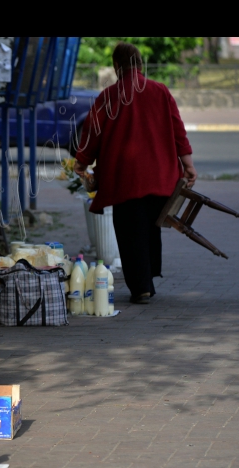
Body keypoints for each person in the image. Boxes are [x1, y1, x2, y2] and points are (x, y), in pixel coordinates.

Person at [74, 42, 198, 304]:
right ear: (141, 65)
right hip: (160, 176)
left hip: (124, 179)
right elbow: (178, 130)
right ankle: (149, 279)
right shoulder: (161, 91)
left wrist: (81, 163)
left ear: (117, 67)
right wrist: (188, 165)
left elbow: (92, 134)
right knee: (151, 227)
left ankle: (141, 287)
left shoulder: (107, 96)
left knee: (131, 231)